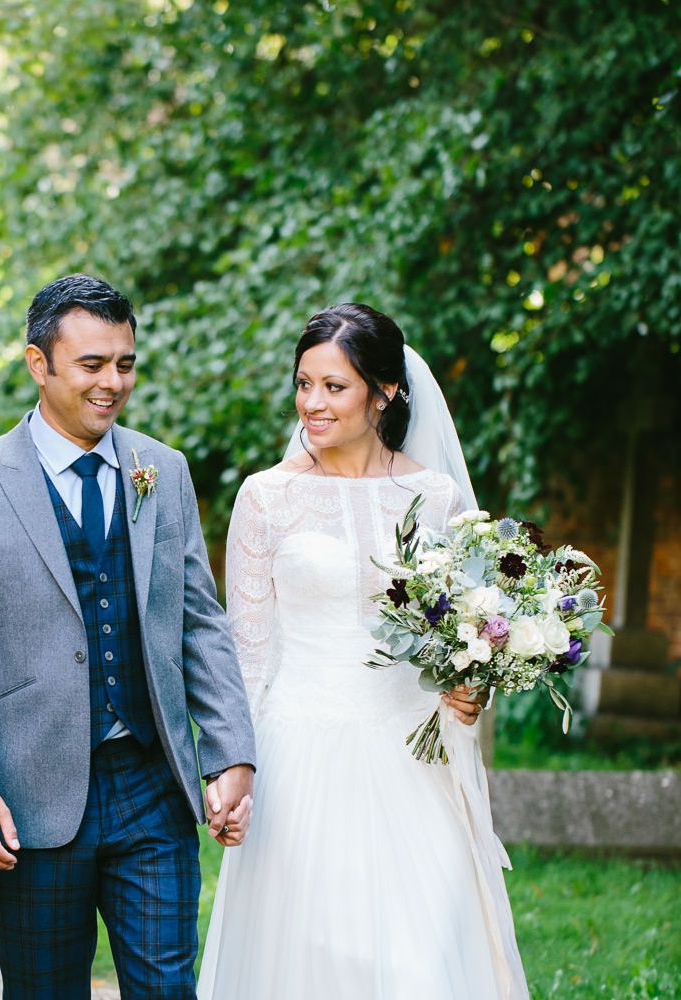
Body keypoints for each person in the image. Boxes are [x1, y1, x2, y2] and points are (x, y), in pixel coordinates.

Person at [0, 274, 256, 999]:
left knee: (167, 989)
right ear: (39, 364)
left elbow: (200, 619)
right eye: (92, 365)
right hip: (31, 793)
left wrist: (230, 752)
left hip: (152, 785)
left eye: (125, 364)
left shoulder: (162, 470)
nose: (113, 384)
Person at [197, 303, 529, 999]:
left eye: (334, 387)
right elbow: (246, 654)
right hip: (300, 755)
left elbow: (461, 632)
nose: (312, 404)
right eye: (303, 384)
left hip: (416, 754)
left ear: (386, 392)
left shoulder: (435, 499)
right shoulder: (266, 497)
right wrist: (233, 766)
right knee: (319, 958)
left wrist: (470, 688)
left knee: (420, 961)